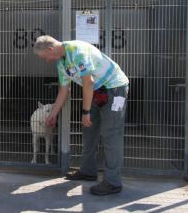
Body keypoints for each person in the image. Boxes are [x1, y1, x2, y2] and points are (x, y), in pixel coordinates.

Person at [33, 35, 129, 196]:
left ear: (50, 49)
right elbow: (64, 90)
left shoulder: (77, 50)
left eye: (45, 57)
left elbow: (88, 81)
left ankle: (113, 182)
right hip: (97, 92)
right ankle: (88, 171)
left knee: (110, 135)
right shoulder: (61, 62)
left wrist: (86, 112)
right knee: (89, 130)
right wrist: (53, 114)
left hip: (115, 89)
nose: (47, 61)